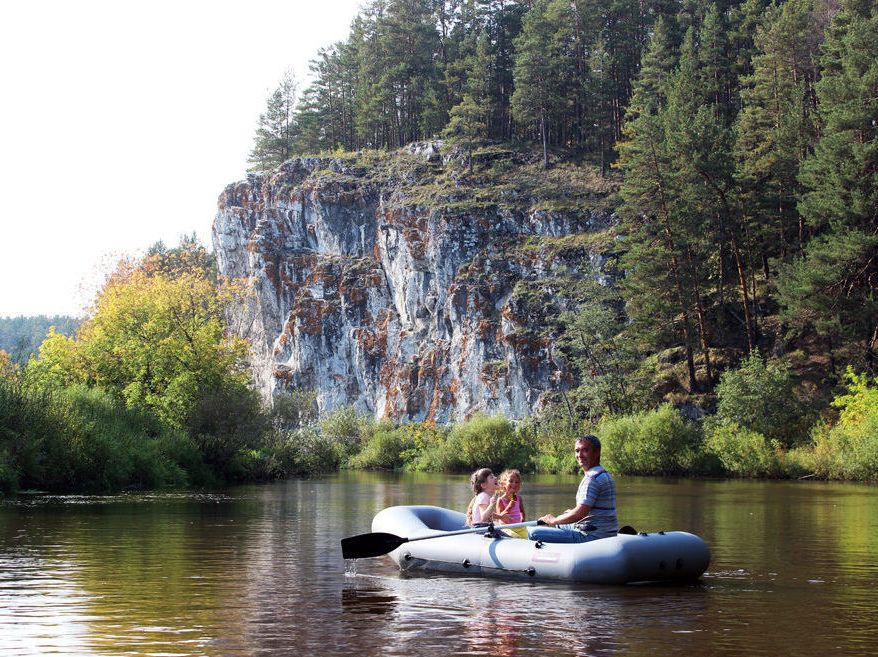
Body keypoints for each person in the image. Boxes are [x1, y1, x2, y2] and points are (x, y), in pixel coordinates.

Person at [532, 435, 618, 543]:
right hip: (605, 532)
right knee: (561, 522)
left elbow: (580, 514)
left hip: (591, 536)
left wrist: (553, 520)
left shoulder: (591, 479)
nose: (579, 455)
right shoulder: (603, 473)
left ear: (597, 452)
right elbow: (588, 509)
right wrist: (570, 513)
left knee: (534, 533)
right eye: (577, 451)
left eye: (585, 450)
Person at [496, 469, 528, 538]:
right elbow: (500, 516)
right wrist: (509, 507)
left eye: (517, 482)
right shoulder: (501, 500)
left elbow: (522, 511)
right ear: (503, 484)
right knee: (516, 537)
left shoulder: (519, 498)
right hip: (506, 527)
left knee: (525, 538)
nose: (514, 484)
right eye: (511, 481)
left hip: (518, 527)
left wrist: (522, 521)